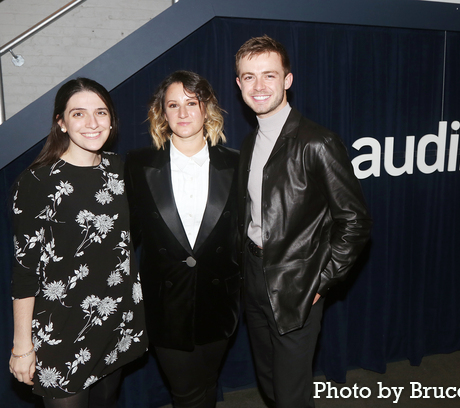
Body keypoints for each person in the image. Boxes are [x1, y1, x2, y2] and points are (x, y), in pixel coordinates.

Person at [235, 35, 372, 408]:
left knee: (292, 393)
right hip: (253, 275)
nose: (259, 86)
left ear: (287, 80)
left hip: (298, 283)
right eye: (249, 77)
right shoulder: (249, 143)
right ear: (239, 84)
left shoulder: (318, 142)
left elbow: (355, 221)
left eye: (269, 75)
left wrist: (322, 280)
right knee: (268, 382)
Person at [9, 78, 148, 408]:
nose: (92, 123)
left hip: (115, 319)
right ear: (61, 122)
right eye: (78, 114)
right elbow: (25, 270)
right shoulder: (37, 181)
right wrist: (22, 346)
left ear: (112, 119)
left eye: (100, 112)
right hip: (62, 331)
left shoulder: (122, 170)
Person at [124, 70, 241, 408]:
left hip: (218, 302)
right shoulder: (138, 164)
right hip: (165, 304)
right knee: (186, 392)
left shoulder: (236, 162)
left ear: (207, 108)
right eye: (173, 105)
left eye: (192, 103)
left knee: (206, 384)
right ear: (162, 113)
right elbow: (126, 236)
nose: (183, 113)